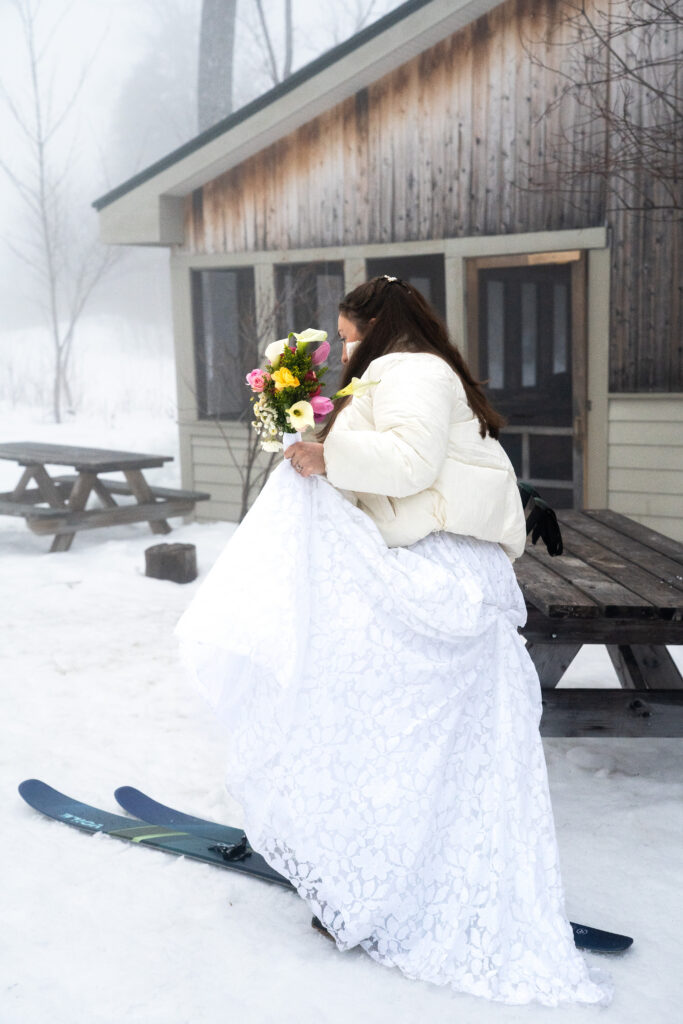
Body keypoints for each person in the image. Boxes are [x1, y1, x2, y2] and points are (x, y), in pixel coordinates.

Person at [175, 276, 613, 1007]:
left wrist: (324, 458)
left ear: (378, 325)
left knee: (397, 740)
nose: (345, 349)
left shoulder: (410, 369)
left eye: (349, 336)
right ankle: (397, 879)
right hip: (442, 563)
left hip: (443, 573)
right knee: (425, 747)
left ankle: (385, 891)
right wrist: (318, 444)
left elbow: (409, 463)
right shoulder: (413, 371)